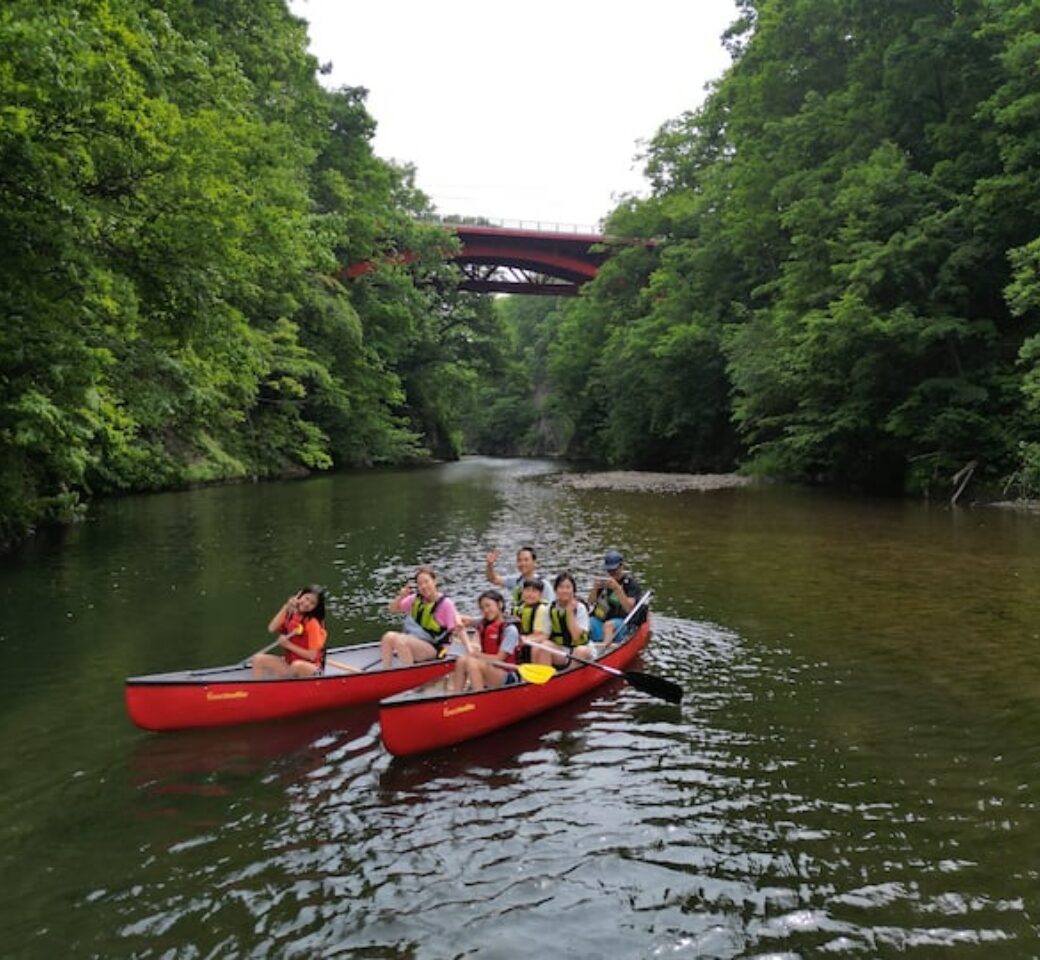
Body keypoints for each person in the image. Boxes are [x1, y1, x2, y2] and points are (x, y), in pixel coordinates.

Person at [380, 565, 460, 668]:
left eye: (426, 582)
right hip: (414, 641)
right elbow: (393, 609)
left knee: (401, 641)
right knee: (388, 637)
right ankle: (386, 670)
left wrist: (464, 648)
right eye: (420, 584)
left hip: (433, 648)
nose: (424, 586)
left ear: (434, 581)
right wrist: (401, 597)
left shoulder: (446, 604)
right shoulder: (415, 599)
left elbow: (454, 631)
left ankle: (407, 673)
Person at [448, 590, 522, 692]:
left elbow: (499, 659)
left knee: (472, 662)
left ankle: (479, 697)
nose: (485, 610)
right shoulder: (483, 622)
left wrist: (477, 654)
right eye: (482, 608)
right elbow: (459, 618)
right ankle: (456, 696)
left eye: (488, 606)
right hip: (490, 668)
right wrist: (458, 621)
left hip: (508, 675)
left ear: (499, 605)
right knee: (461, 660)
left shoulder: (510, 630)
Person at [252, 585, 328, 678]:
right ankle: (259, 690)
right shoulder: (291, 614)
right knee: (258, 659)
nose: (307, 603)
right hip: (290, 664)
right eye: (306, 598)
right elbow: (271, 628)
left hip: (310, 669)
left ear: (315, 607)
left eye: (312, 603)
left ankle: (284, 687)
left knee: (297, 665)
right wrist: (287, 606)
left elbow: (312, 656)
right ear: (300, 595)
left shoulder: (312, 623)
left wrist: (288, 645)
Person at [532, 572, 591, 667]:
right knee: (542, 646)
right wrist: (528, 639)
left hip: (580, 649)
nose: (564, 591)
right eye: (561, 587)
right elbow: (545, 635)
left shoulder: (580, 608)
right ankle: (545, 678)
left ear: (573, 591)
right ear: (555, 590)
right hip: (562, 649)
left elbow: (576, 637)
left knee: (580, 651)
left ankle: (569, 678)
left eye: (568, 587)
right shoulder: (550, 608)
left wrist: (570, 612)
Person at [587, 550, 643, 647]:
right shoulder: (604, 583)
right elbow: (590, 602)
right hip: (602, 621)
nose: (612, 574)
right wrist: (595, 588)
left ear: (621, 566)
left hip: (622, 624)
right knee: (588, 622)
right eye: (609, 571)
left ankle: (604, 650)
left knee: (609, 625)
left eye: (614, 570)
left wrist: (617, 588)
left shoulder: (630, 584)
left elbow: (629, 608)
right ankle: (585, 647)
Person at [485, 545, 555, 610]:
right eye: (519, 560)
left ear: (534, 562)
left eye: (526, 560)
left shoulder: (544, 584)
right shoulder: (515, 581)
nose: (522, 563)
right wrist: (490, 564)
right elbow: (493, 579)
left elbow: (551, 607)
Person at [513, 577, 552, 662]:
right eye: (527, 590)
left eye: (534, 591)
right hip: (522, 640)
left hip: (536, 641)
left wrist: (521, 639)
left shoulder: (542, 609)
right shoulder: (520, 607)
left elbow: (538, 634)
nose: (530, 594)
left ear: (540, 595)